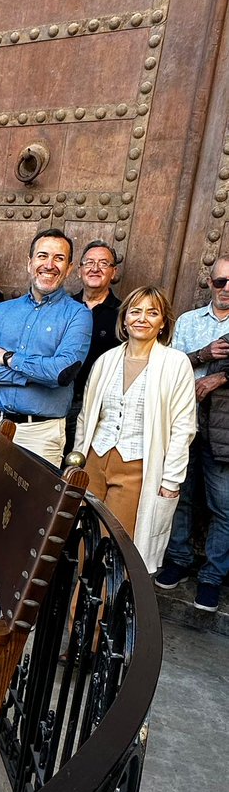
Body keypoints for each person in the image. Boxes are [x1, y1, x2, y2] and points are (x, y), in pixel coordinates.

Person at [75, 286, 196, 575]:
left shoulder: (175, 364)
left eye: (152, 313)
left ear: (163, 322)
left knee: (115, 548)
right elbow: (86, 416)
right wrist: (78, 459)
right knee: (83, 545)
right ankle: (74, 617)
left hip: (136, 468)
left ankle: (104, 617)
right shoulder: (106, 361)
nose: (142, 318)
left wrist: (171, 480)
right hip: (94, 461)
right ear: (125, 318)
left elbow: (183, 426)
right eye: (136, 311)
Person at [0, 229, 91, 466]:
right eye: (42, 256)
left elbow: (60, 373)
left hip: (42, 435)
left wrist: (10, 358)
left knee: (34, 504)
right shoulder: (2, 311)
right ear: (30, 263)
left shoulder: (79, 315)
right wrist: (33, 376)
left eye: (59, 258)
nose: (49, 264)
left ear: (69, 268)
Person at [155, 257, 229, 611]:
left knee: (223, 505)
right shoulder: (187, 321)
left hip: (224, 431)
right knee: (179, 494)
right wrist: (203, 355)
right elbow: (168, 364)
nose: (226, 287)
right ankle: (179, 559)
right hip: (184, 421)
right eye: (220, 281)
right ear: (210, 283)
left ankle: (212, 577)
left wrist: (221, 377)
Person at [64, 240, 122, 453]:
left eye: (103, 263)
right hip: (57, 401)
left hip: (97, 407)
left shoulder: (122, 315)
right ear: (79, 270)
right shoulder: (64, 308)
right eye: (89, 262)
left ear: (113, 272)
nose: (95, 268)